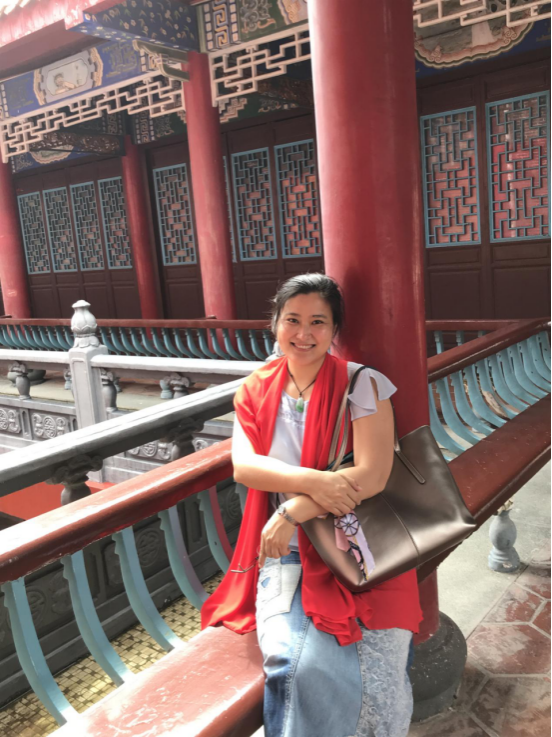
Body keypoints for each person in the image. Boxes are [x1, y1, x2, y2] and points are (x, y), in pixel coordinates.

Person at [202, 274, 423, 737]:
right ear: (275, 324)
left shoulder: (362, 384)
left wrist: (291, 510)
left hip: (359, 543)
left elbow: (372, 475)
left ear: (334, 329)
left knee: (378, 678)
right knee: (294, 666)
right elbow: (245, 466)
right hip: (286, 552)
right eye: (293, 320)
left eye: (318, 322)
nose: (303, 333)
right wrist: (319, 483)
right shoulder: (255, 389)